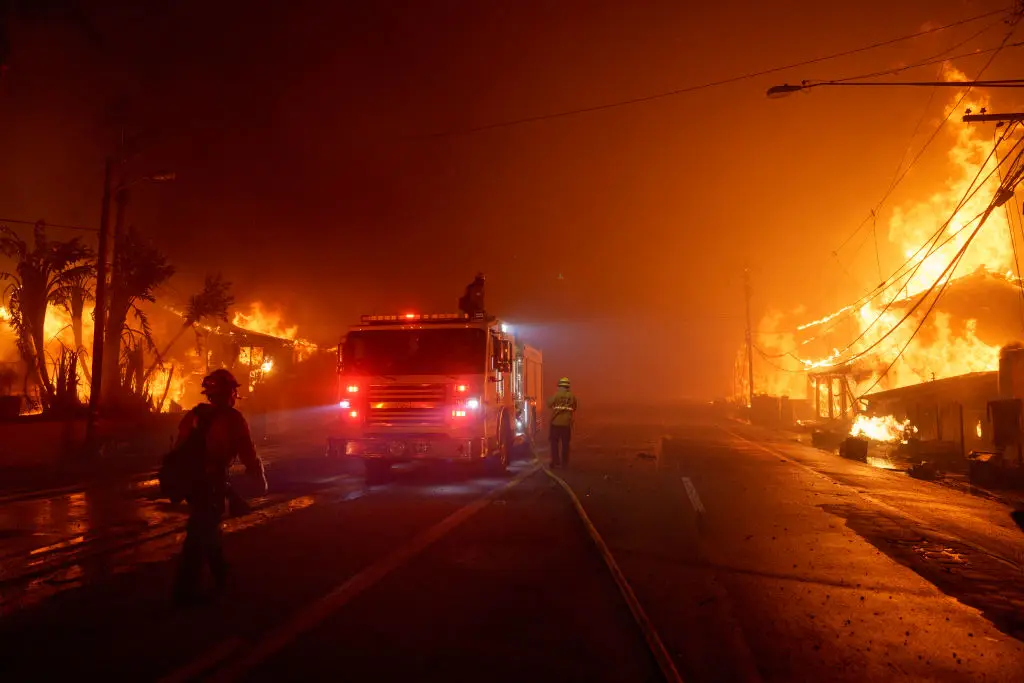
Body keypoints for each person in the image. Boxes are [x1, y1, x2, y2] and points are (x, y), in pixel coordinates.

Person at [172, 369, 267, 606]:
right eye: (234, 390)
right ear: (229, 393)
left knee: (207, 526)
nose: (235, 395)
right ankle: (185, 591)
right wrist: (257, 474)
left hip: (192, 482)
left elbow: (178, 446)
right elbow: (246, 449)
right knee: (199, 533)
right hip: (210, 483)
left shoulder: (193, 415)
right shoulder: (233, 419)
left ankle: (221, 576)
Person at [547, 377, 578, 469]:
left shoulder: (556, 395)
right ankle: (564, 463)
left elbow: (549, 404)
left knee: (554, 443)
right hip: (566, 424)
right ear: (568, 386)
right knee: (565, 444)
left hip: (555, 423)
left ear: (560, 386)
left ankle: (555, 461)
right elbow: (574, 407)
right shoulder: (572, 396)